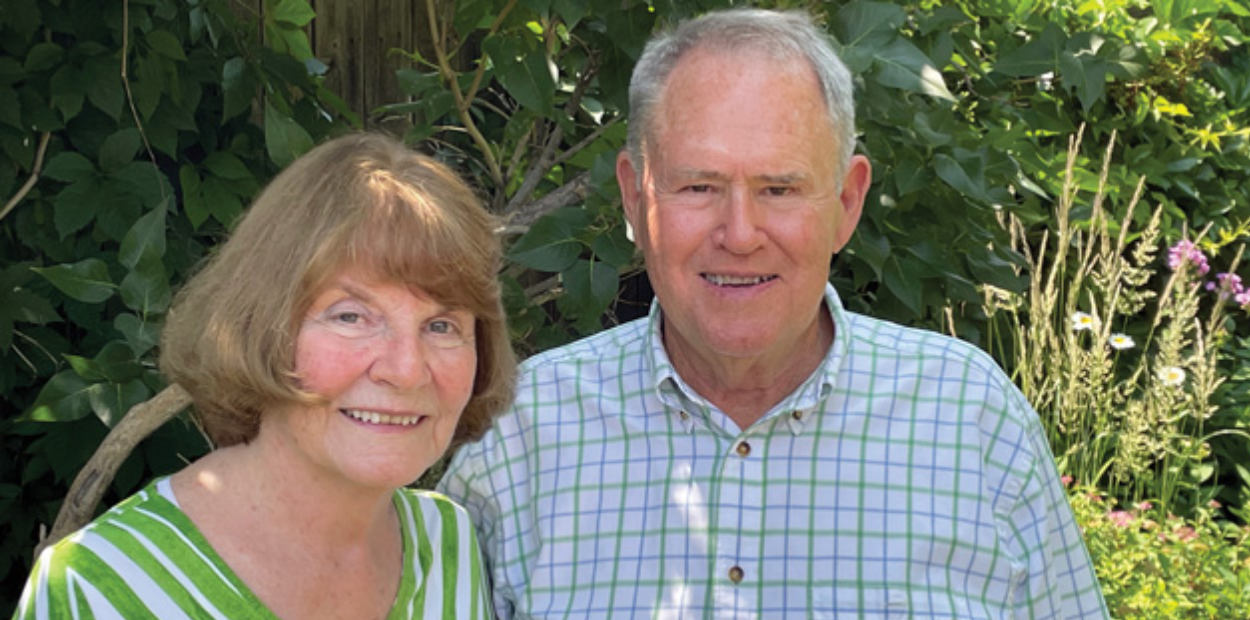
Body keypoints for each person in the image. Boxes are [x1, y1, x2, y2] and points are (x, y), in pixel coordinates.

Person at [439, 8, 1108, 619]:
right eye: (699, 186)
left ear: (847, 203)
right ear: (635, 199)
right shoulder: (517, 438)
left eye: (779, 188)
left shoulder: (973, 419)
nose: (739, 232)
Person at [14, 133, 515, 619]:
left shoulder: (447, 542)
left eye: (442, 325)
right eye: (350, 316)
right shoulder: (102, 587)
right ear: (259, 325)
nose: (406, 370)